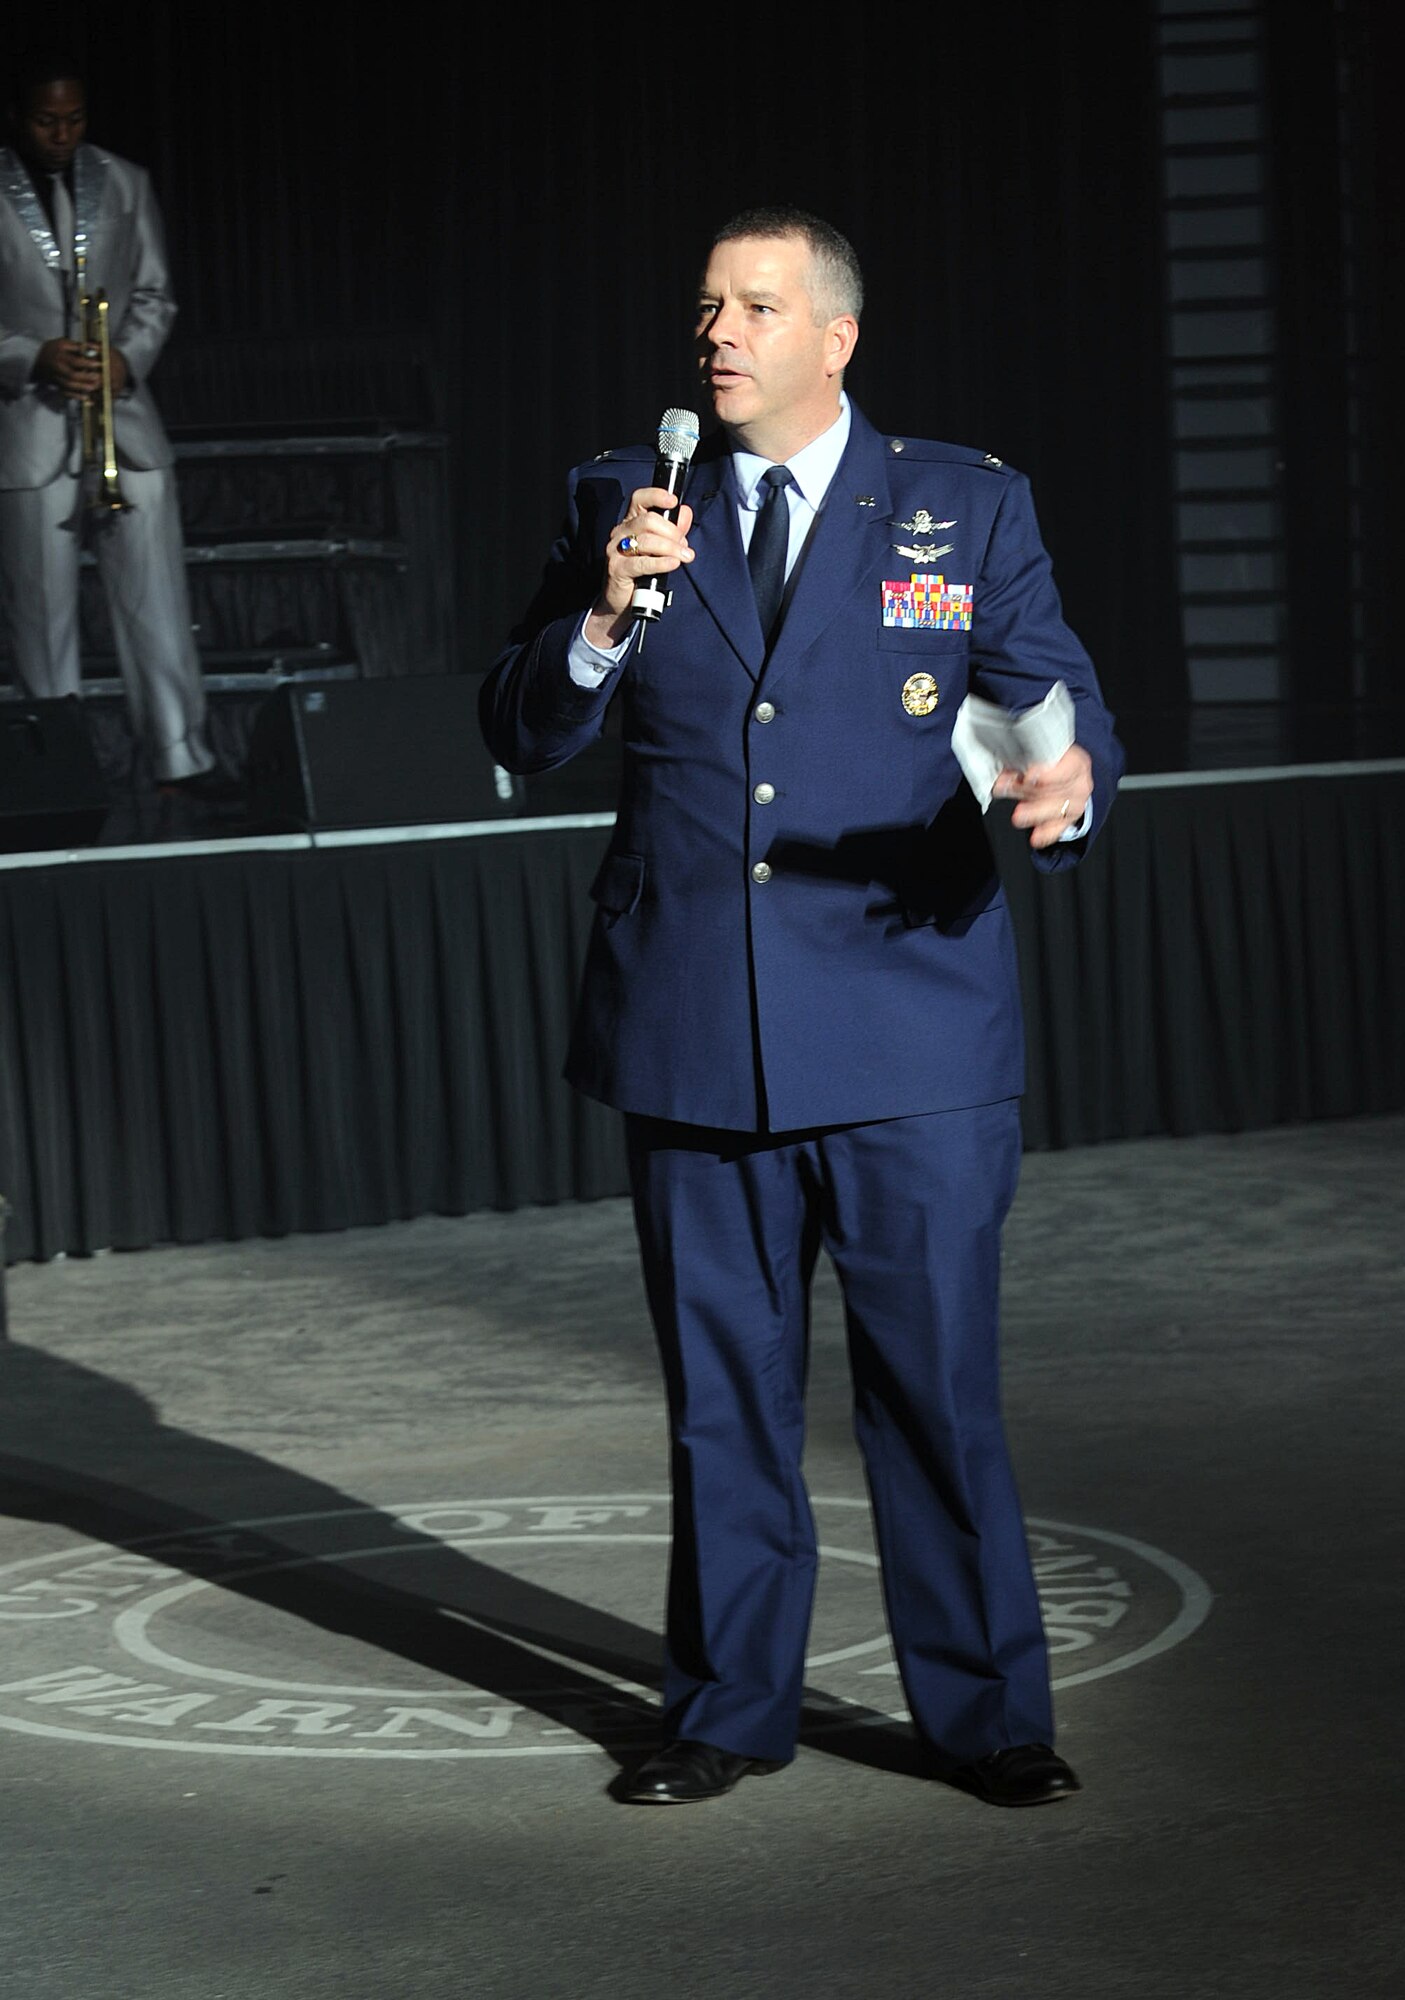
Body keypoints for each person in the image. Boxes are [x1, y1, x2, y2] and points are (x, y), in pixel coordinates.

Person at [480, 207, 1124, 1807]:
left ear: (836, 338)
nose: (719, 333)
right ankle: (724, 1708)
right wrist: (607, 617)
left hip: (909, 1030)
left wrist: (1071, 783)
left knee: (933, 1390)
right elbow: (520, 723)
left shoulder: (960, 504)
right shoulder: (624, 501)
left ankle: (987, 1717)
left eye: (757, 307)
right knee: (724, 1394)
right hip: (695, 1027)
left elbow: (1054, 693)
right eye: (707, 306)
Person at [0, 53, 220, 791]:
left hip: (126, 426)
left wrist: (126, 357)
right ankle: (55, 768)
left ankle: (180, 757)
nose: (61, 133)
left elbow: (156, 293)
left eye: (74, 118)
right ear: (17, 116)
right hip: (29, 429)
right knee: (42, 618)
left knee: (156, 601)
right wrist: (33, 355)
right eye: (44, 120)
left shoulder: (126, 182)